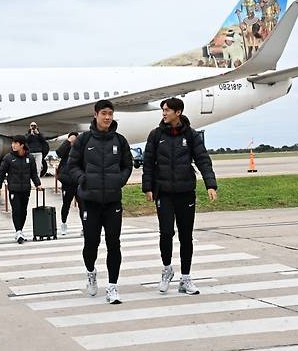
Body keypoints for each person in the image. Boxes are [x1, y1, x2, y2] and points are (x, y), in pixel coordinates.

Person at [142, 97, 217, 295]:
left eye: (167, 110)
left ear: (178, 112)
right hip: (164, 193)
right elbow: (148, 163)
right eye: (163, 110)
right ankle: (167, 270)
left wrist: (210, 184)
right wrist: (147, 187)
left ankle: (186, 278)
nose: (164, 113)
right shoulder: (156, 135)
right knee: (166, 233)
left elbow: (203, 160)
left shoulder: (191, 136)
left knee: (186, 237)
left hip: (186, 193)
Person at [68, 100, 133, 304]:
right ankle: (91, 272)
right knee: (91, 244)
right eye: (104, 113)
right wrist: (82, 179)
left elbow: (127, 165)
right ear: (95, 115)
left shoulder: (120, 141)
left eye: (110, 114)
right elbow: (72, 165)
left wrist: (119, 180)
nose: (107, 117)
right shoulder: (84, 140)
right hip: (90, 201)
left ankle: (113, 287)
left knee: (114, 243)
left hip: (113, 201)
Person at [0, 135, 42, 244]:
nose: (13, 145)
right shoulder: (8, 158)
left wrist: (38, 184)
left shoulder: (29, 158)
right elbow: (1, 173)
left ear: (22, 145)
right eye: (13, 143)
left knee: (23, 211)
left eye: (16, 143)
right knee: (16, 210)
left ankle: (20, 230)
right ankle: (18, 232)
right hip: (13, 189)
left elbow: (33, 174)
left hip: (26, 189)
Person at [56, 131, 82, 236]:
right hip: (67, 182)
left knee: (83, 205)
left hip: (79, 183)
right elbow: (59, 153)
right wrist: (68, 142)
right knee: (66, 205)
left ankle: (84, 227)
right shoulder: (66, 150)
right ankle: (63, 224)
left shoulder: (80, 150)